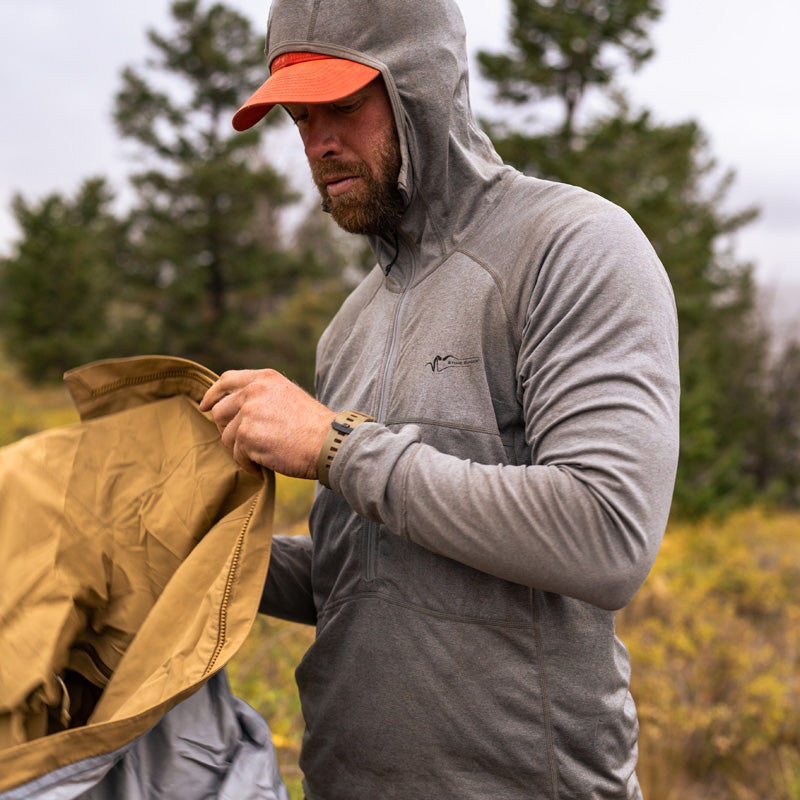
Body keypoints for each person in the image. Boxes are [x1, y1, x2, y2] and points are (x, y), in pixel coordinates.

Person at [199, 0, 680, 797]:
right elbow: (367, 574)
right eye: (298, 114)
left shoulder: (571, 246)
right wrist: (215, 560)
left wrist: (336, 446)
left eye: (343, 105)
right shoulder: (349, 328)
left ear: (422, 86)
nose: (318, 142)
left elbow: (607, 533)